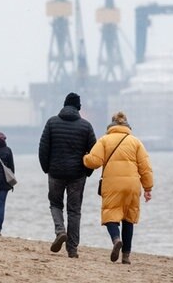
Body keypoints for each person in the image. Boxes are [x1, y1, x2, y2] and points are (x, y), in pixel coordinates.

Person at [83, 111, 153, 265]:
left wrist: (85, 157)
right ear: (126, 124)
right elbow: (145, 167)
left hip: (112, 184)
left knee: (110, 215)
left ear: (112, 124)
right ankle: (126, 256)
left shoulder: (104, 140)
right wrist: (148, 188)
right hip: (132, 185)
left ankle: (116, 239)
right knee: (129, 218)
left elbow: (94, 162)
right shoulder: (136, 142)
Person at [38, 92, 96, 258]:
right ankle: (72, 249)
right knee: (74, 211)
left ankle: (60, 231)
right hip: (77, 175)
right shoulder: (86, 126)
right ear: (78, 107)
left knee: (55, 204)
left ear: (64, 105)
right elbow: (94, 153)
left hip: (55, 172)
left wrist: (46, 168)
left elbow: (43, 148)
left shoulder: (51, 122)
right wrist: (87, 171)